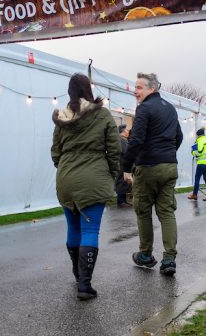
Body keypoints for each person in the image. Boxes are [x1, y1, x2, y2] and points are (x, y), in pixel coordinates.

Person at [51, 73, 122, 300]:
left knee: (73, 230)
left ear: (70, 92)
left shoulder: (62, 117)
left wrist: (64, 167)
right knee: (90, 231)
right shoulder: (102, 115)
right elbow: (114, 149)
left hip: (66, 179)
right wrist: (112, 174)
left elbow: (55, 151)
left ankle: (77, 274)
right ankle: (85, 284)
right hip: (94, 178)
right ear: (89, 89)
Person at [121, 72, 183, 276]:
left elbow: (136, 140)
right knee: (166, 212)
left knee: (143, 211)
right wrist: (168, 152)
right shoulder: (170, 108)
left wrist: (126, 166)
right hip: (169, 166)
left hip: (148, 167)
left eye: (139, 87)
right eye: (135, 87)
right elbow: (179, 136)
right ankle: (169, 259)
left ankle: (146, 254)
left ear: (152, 88)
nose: (135, 91)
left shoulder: (144, 109)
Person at [187, 127, 206, 201]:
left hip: (201, 163)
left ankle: (194, 195)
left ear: (198, 135)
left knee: (197, 178)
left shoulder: (200, 141)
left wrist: (193, 152)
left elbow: (199, 152)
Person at [115, 125, 133, 208]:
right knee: (122, 182)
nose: (128, 131)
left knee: (123, 182)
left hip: (121, 164)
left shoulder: (121, 139)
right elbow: (126, 152)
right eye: (127, 130)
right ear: (123, 131)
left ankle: (123, 201)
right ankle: (121, 201)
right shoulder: (122, 140)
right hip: (122, 164)